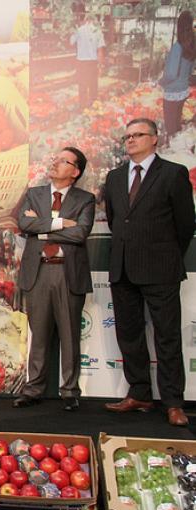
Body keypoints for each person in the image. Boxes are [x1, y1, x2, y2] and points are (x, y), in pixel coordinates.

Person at [103, 118, 196, 426]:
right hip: (123, 268)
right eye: (127, 136)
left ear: (155, 139)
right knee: (129, 334)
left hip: (160, 268)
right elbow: (116, 220)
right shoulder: (115, 177)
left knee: (167, 336)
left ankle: (173, 402)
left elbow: (185, 223)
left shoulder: (173, 173)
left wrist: (165, 253)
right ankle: (139, 393)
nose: (131, 140)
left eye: (138, 135)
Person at [14, 148, 95, 411]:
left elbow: (80, 233)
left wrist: (42, 229)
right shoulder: (34, 194)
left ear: (75, 171)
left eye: (63, 161)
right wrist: (61, 224)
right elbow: (25, 225)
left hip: (67, 272)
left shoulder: (85, 199)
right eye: (55, 159)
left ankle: (69, 391)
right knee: (38, 334)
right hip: (38, 271)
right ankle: (33, 389)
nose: (55, 163)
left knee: (70, 334)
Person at [159, 11, 196, 139]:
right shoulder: (192, 46)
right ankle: (178, 145)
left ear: (179, 27)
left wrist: (160, 82)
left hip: (172, 92)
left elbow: (171, 74)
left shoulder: (177, 47)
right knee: (176, 125)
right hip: (183, 91)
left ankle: (173, 147)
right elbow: (190, 70)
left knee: (170, 129)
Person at [70, 11, 105, 109]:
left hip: (81, 63)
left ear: (85, 20)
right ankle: (94, 107)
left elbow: (71, 42)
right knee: (93, 85)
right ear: (94, 20)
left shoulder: (79, 30)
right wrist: (101, 66)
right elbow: (100, 51)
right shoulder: (98, 32)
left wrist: (73, 32)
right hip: (93, 63)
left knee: (82, 85)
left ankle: (83, 107)